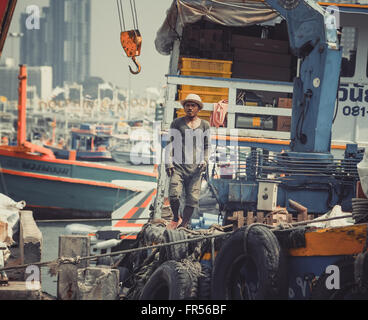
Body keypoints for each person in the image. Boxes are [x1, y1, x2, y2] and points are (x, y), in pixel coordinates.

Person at [165, 93, 210, 229]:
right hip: (178, 167)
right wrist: (168, 162)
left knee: (193, 200)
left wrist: (205, 160)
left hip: (196, 169)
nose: (190, 108)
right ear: (184, 107)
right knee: (174, 195)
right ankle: (175, 217)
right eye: (187, 105)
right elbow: (169, 144)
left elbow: (207, 146)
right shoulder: (176, 123)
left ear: (198, 108)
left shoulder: (205, 125)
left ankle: (184, 224)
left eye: (193, 105)